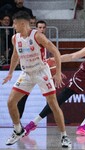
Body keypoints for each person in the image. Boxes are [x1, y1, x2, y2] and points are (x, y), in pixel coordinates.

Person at [23, 32, 85, 136]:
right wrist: (54, 60)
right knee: (60, 99)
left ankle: (83, 125)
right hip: (83, 76)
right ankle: (34, 123)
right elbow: (72, 56)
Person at [2, 11, 71, 148]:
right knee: (11, 102)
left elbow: (56, 51)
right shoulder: (15, 38)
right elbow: (15, 55)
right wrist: (10, 73)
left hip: (41, 72)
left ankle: (64, 136)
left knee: (53, 104)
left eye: (15, 23)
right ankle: (18, 130)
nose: (13, 26)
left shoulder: (37, 36)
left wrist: (58, 72)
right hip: (26, 73)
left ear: (22, 23)